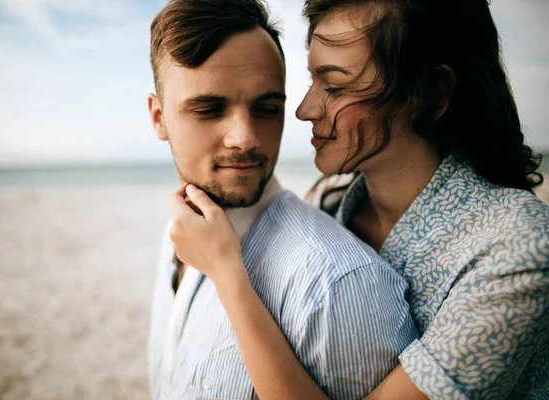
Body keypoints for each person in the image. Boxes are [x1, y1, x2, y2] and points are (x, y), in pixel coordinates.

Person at [170, 0, 549, 399]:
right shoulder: (329, 206)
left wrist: (228, 274)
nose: (304, 109)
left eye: (335, 86)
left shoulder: (517, 246)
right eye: (312, 81)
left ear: (430, 94)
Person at [146, 0, 418, 399]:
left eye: (267, 108)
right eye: (209, 108)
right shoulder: (179, 231)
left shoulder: (334, 286)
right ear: (158, 118)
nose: (246, 138)